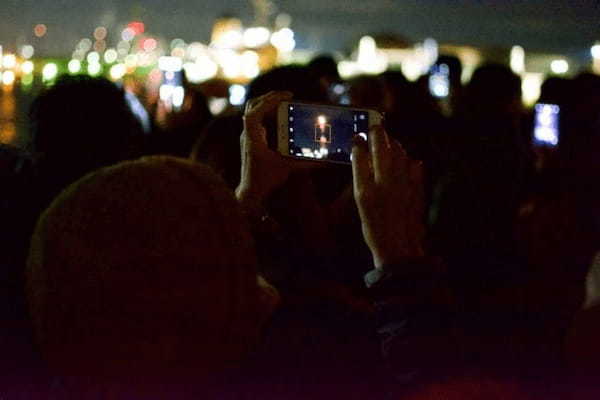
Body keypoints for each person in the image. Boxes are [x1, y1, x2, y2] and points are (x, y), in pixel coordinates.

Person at [25, 91, 453, 398]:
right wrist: (399, 260)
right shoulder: (300, 368)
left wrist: (248, 199)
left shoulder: (79, 352)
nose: (259, 278)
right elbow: (429, 386)